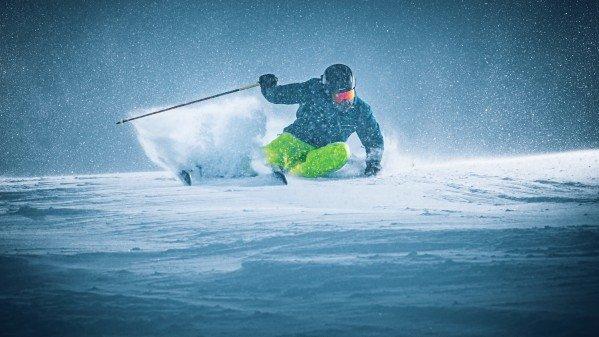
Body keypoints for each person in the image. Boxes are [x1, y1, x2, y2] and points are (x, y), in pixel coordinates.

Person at [259, 64, 384, 178]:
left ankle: (296, 174)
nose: (346, 101)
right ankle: (267, 165)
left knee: (342, 151)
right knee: (269, 155)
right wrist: (268, 87)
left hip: (322, 153)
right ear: (328, 91)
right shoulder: (313, 90)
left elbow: (373, 139)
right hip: (295, 141)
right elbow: (282, 95)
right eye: (340, 97)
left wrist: (374, 163)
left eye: (349, 95)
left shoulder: (360, 110)